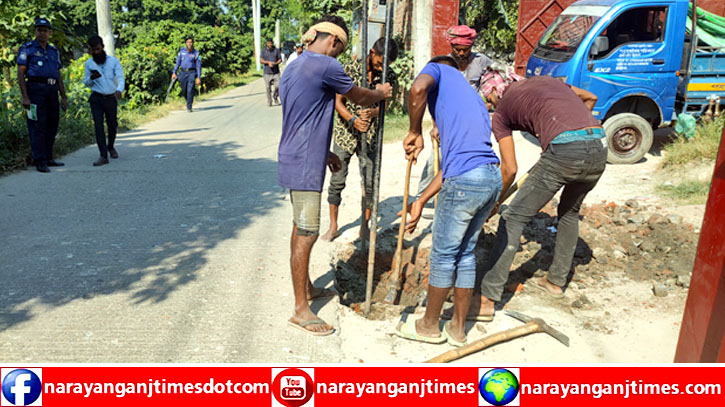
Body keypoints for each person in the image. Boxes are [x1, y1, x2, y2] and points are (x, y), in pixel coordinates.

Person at [277, 16, 393, 336]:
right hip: (303, 163)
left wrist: (323, 152)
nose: (339, 56)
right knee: (307, 232)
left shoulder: (295, 66)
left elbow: (303, 113)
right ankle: (301, 309)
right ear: (333, 42)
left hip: (297, 155)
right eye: (340, 50)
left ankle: (309, 289)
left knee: (301, 226)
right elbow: (359, 98)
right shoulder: (326, 65)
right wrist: (380, 92)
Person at [459, 73, 606, 321]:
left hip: (565, 151)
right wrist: (563, 135)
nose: (491, 105)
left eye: (490, 100)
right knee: (569, 213)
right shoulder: (550, 81)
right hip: (599, 144)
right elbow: (590, 98)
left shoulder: (502, 111)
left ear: (494, 93)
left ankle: (486, 299)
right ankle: (556, 282)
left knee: (512, 218)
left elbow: (509, 169)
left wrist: (496, 201)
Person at [395, 56, 515, 347]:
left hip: (466, 181)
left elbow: (417, 90)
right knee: (465, 254)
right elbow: (455, 168)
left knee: (444, 256)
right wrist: (421, 201)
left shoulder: (438, 69)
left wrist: (414, 130)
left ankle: (428, 325)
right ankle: (458, 329)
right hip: (489, 179)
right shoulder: (472, 98)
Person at [321, 37, 399, 242]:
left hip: (371, 135)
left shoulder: (389, 76)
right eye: (380, 62)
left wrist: (373, 113)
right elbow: (337, 102)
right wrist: (353, 120)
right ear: (372, 53)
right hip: (345, 132)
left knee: (370, 181)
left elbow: (385, 106)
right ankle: (333, 225)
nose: (383, 68)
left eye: (387, 65)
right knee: (337, 179)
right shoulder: (347, 70)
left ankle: (365, 226)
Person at [416, 25, 494, 197]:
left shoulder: (481, 62)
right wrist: (436, 125)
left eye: (464, 50)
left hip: (471, 123)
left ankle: (460, 196)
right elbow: (433, 97)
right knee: (435, 163)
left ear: (471, 47)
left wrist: (485, 107)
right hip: (449, 121)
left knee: (469, 162)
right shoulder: (443, 64)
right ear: (451, 47)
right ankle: (421, 200)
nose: (460, 54)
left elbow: (494, 85)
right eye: (457, 49)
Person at [17, 17, 67, 173]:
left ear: (49, 33)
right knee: (37, 125)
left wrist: (63, 96)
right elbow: (20, 73)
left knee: (52, 124)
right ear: (35, 31)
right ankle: (39, 160)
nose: (42, 33)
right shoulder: (27, 49)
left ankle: (48, 157)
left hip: (52, 91)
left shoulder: (54, 51)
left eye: (45, 30)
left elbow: (58, 74)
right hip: (35, 90)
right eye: (39, 30)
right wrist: (25, 96)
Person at [83, 35, 125, 167]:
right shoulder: (89, 64)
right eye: (93, 50)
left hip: (110, 98)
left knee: (112, 125)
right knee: (98, 126)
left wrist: (119, 90)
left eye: (98, 49)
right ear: (89, 50)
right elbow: (86, 83)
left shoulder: (113, 61)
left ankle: (110, 146)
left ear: (102, 47)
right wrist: (91, 78)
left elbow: (120, 76)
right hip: (96, 98)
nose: (96, 52)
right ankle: (103, 155)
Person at [171, 36, 201, 112]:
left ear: (193, 43)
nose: (189, 44)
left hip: (191, 73)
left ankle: (189, 106)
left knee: (190, 89)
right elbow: (177, 63)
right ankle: (188, 100)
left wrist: (198, 77)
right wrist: (174, 72)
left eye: (190, 42)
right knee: (184, 90)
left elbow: (198, 66)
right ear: (186, 43)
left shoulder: (196, 53)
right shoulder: (181, 52)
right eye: (188, 42)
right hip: (182, 73)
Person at [261, 38, 282, 106]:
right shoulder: (263, 51)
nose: (270, 44)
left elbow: (280, 59)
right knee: (268, 88)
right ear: (266, 43)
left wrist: (275, 63)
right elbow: (261, 60)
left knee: (278, 86)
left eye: (271, 43)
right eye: (268, 43)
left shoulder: (276, 50)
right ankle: (269, 101)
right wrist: (268, 62)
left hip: (276, 72)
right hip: (267, 72)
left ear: (272, 43)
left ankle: (275, 97)